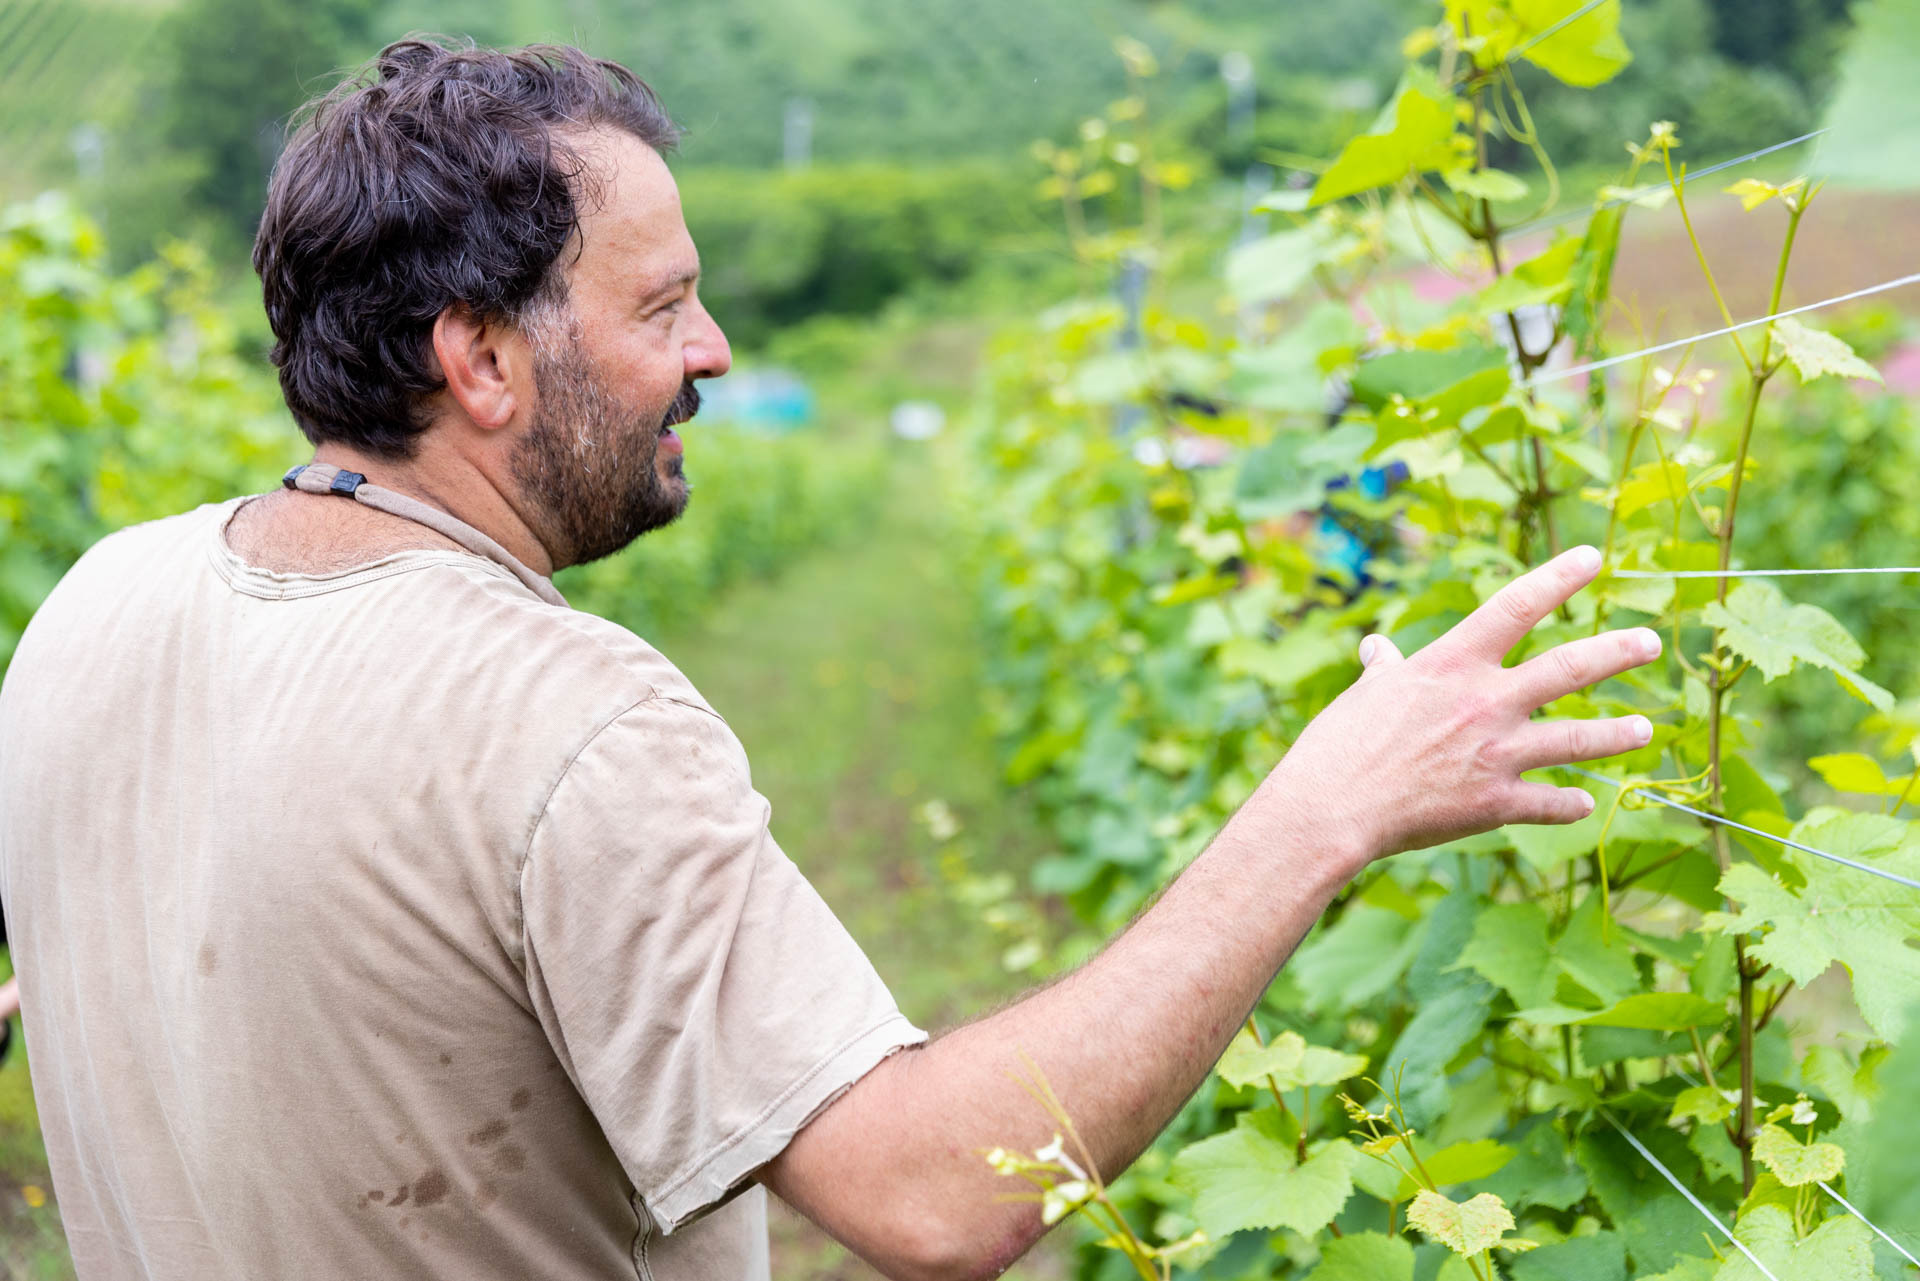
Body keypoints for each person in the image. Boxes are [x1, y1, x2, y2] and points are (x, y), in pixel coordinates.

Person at [0, 38, 1663, 1281]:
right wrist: (1329, 806)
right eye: (662, 308)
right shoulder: (566, 724)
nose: (713, 350)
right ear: (485, 360)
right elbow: (939, 1194)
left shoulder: (94, 603)